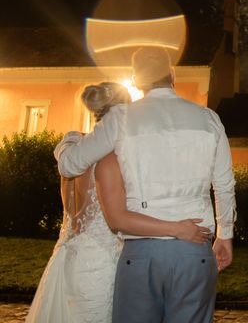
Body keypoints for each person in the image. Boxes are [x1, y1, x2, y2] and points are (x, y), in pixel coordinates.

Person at [54, 46, 236, 323]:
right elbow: (224, 184)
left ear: (137, 80)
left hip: (140, 253)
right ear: (172, 74)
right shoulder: (209, 119)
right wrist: (225, 235)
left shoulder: (121, 118)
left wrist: (67, 142)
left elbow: (69, 165)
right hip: (195, 248)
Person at [27, 82, 210, 323]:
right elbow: (118, 217)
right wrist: (177, 227)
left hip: (67, 257)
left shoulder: (73, 149)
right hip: (99, 265)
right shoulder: (111, 158)